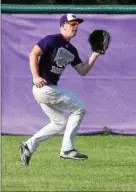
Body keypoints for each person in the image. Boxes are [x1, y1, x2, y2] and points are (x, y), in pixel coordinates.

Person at [20, 13, 101, 165]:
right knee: (79, 109)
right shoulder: (52, 39)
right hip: (44, 87)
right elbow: (33, 53)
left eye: (77, 24)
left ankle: (28, 146)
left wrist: (94, 55)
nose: (75, 26)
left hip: (47, 89)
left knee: (59, 122)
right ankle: (67, 149)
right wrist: (35, 76)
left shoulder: (72, 49)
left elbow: (82, 71)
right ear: (63, 25)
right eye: (72, 24)